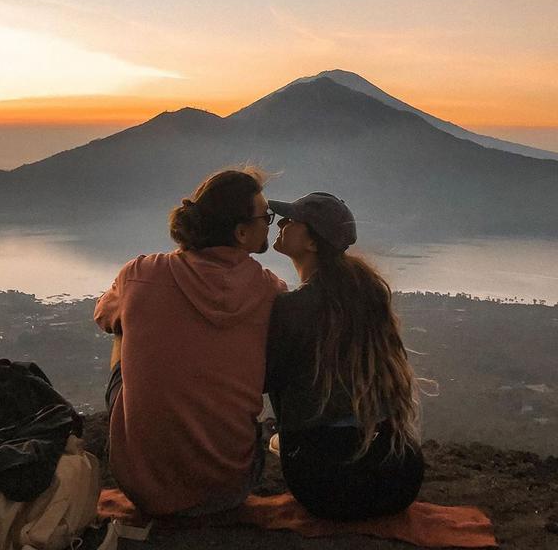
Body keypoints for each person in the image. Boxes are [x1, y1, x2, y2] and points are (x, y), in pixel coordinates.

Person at [94, 167, 286, 516]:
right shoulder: (270, 292)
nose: (269, 224)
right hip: (230, 486)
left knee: (125, 325)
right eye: (266, 217)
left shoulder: (141, 274)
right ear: (241, 232)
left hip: (141, 487)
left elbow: (103, 317)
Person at [265, 192, 424, 521]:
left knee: (276, 440)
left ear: (312, 243)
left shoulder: (291, 307)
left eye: (291, 221)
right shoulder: (368, 292)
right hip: (399, 477)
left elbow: (266, 378)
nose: (280, 224)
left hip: (325, 484)